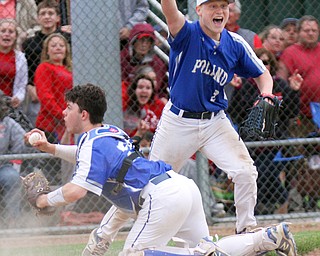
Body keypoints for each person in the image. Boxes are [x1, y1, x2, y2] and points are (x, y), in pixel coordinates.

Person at [25, 83, 297, 256]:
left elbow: (75, 191)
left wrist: (42, 199)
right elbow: (86, 157)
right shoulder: (109, 133)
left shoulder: (93, 143)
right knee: (205, 247)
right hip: (180, 188)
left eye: (69, 108)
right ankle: (268, 237)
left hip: (160, 198)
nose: (63, 113)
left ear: (83, 114)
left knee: (134, 254)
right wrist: (51, 148)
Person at [148, 0, 275, 235]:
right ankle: (108, 233)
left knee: (245, 171)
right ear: (199, 10)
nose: (220, 11)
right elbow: (169, 9)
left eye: (224, 6)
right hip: (178, 121)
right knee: (152, 182)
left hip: (215, 122)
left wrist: (266, 94)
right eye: (212, 6)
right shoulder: (186, 32)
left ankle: (246, 230)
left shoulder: (235, 43)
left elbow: (263, 75)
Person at [227, 48, 301, 214]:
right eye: (259, 62)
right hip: (252, 143)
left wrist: (294, 91)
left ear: (271, 65)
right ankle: (263, 207)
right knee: (253, 173)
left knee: (264, 171)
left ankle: (278, 202)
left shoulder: (280, 85)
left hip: (275, 143)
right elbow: (236, 115)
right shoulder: (246, 85)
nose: (263, 65)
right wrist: (236, 90)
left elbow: (291, 112)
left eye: (266, 62)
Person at [21, 0, 71, 126]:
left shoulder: (68, 38)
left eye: (51, 13)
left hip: (63, 88)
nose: (47, 16)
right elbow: (26, 68)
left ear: (58, 18)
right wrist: (29, 86)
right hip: (36, 91)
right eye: (43, 14)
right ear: (38, 18)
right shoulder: (29, 43)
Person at [34, 32, 72, 184]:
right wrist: (64, 116)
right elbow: (46, 97)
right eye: (53, 45)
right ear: (47, 50)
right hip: (50, 125)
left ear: (66, 50)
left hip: (69, 126)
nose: (58, 48)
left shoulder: (70, 70)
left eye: (61, 45)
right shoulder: (44, 67)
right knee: (52, 172)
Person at [278, 15, 320, 138]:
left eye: (314, 30)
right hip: (301, 114)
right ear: (299, 32)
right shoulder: (289, 53)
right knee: (301, 153)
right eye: (307, 31)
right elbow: (281, 81)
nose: (311, 33)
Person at [120, 23, 168, 102]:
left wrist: (162, 99)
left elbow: (162, 91)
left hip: (152, 102)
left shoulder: (158, 64)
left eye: (148, 41)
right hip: (128, 101)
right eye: (141, 40)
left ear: (151, 44)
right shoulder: (123, 59)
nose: (144, 44)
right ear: (133, 41)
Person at [0, 93, 25, 228]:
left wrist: (31, 137)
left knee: (12, 177)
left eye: (5, 104)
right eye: (1, 104)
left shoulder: (7, 122)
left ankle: (13, 221)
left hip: (2, 166)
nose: (4, 108)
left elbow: (22, 139)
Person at [0, 18, 28, 109]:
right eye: (3, 31)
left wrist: (18, 98)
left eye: (11, 31)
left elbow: (22, 86)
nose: (6, 34)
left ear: (15, 36)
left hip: (10, 105)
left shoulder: (21, 58)